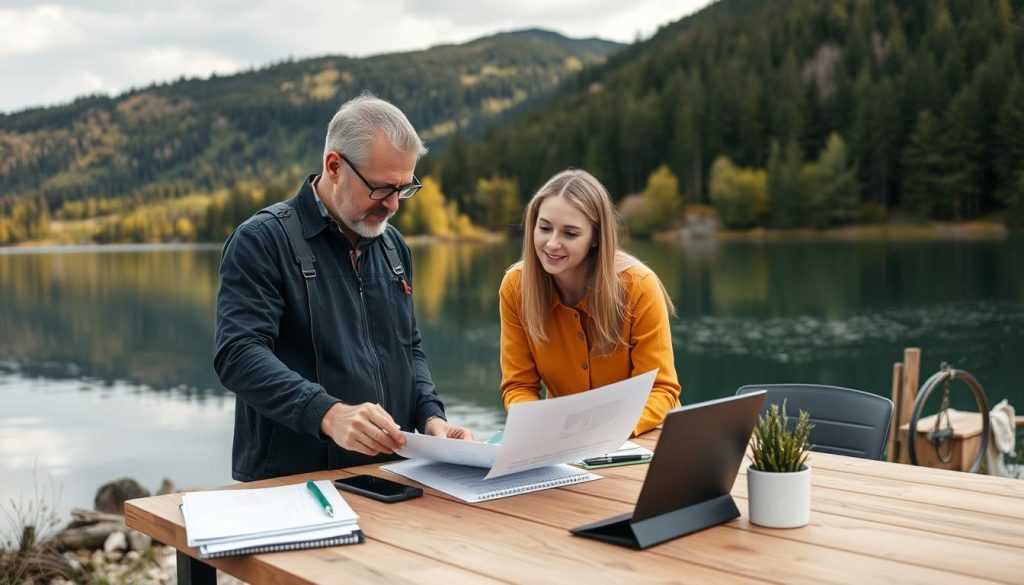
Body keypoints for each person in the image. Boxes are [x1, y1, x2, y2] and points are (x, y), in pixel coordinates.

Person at [214, 93, 472, 482]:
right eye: (382, 188)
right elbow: (238, 355)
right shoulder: (262, 240)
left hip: (391, 479)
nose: (394, 206)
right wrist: (328, 414)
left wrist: (432, 418)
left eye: (403, 189)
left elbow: (409, 350)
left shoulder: (393, 246)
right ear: (334, 166)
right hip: (291, 485)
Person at [499, 169, 681, 436]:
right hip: (564, 444)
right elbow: (519, 387)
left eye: (570, 234)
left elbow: (662, 390)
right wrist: (539, 431)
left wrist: (600, 434)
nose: (551, 244)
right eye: (545, 228)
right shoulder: (515, 287)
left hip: (646, 437)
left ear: (596, 237)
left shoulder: (639, 286)